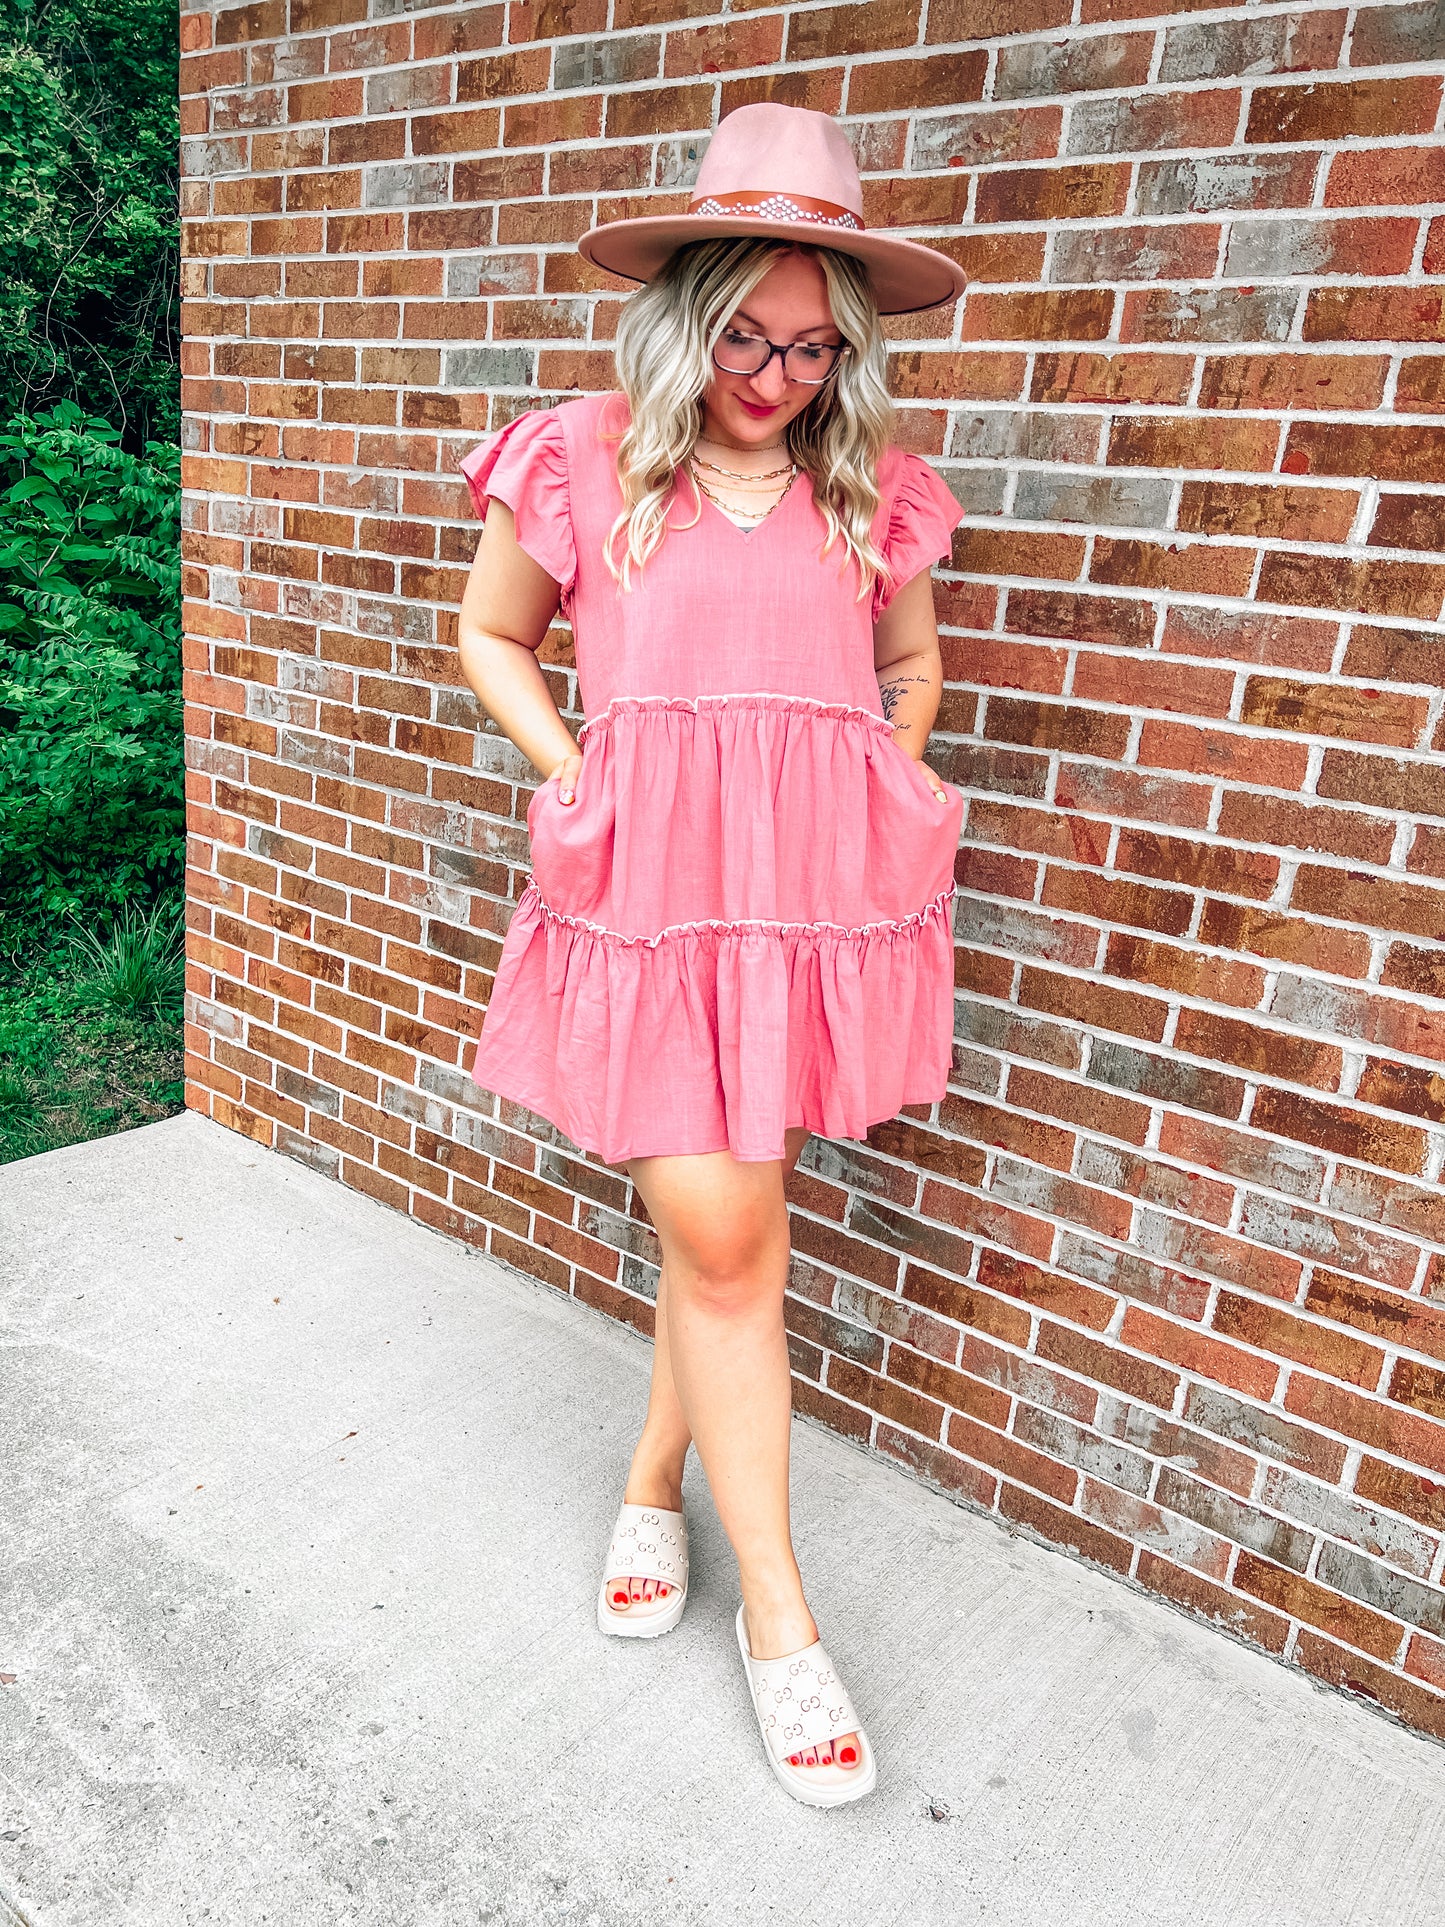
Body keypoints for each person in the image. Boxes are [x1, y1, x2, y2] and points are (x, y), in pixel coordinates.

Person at [454, 102, 967, 1808]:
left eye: (813, 347)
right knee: (733, 1236)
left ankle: (648, 1488)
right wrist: (574, 766)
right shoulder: (585, 454)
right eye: (745, 332)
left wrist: (892, 754)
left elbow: (913, 659)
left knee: (732, 1230)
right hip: (650, 892)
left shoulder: (868, 484)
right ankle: (784, 1632)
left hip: (808, 899)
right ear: (686, 312)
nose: (775, 372)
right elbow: (489, 630)